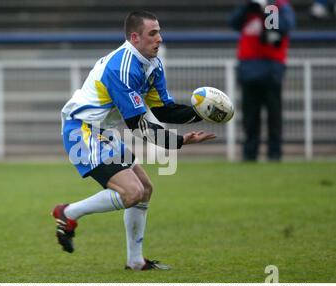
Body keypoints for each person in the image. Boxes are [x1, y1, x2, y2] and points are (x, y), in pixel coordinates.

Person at [52, 10, 216, 270]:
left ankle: (136, 261)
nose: (159, 39)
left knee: (145, 190)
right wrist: (180, 142)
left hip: (102, 132)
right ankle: (69, 213)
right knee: (132, 192)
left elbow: (164, 110)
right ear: (135, 37)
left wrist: (200, 113)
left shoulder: (152, 64)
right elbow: (139, 126)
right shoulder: (122, 68)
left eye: (159, 32)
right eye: (153, 34)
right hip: (81, 131)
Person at [230, 0, 295, 162]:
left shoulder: (279, 6)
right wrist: (248, 6)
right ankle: (249, 154)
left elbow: (285, 27)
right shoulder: (248, 8)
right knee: (250, 117)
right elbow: (233, 22)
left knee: (274, 116)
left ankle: (274, 153)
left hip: (271, 70)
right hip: (249, 71)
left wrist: (268, 8)